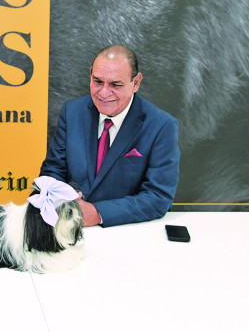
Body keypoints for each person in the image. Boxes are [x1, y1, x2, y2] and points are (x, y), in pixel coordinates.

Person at [40, 45, 180, 227]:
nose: (104, 93)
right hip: (71, 230)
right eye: (97, 81)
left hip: (129, 231)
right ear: (90, 74)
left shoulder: (161, 126)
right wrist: (58, 200)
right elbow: (53, 171)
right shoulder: (72, 111)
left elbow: (158, 197)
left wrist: (99, 213)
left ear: (136, 83)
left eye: (115, 85)